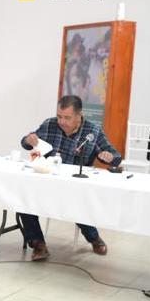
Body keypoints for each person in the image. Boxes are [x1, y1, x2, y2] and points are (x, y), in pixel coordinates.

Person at [19, 95, 122, 260]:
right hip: (48, 182)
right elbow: (26, 143)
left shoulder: (92, 131)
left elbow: (115, 156)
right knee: (23, 198)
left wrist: (109, 157)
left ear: (79, 115)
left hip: (76, 186)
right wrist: (28, 139)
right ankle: (38, 244)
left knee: (78, 203)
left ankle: (94, 238)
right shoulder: (49, 124)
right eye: (59, 116)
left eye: (67, 118)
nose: (61, 121)